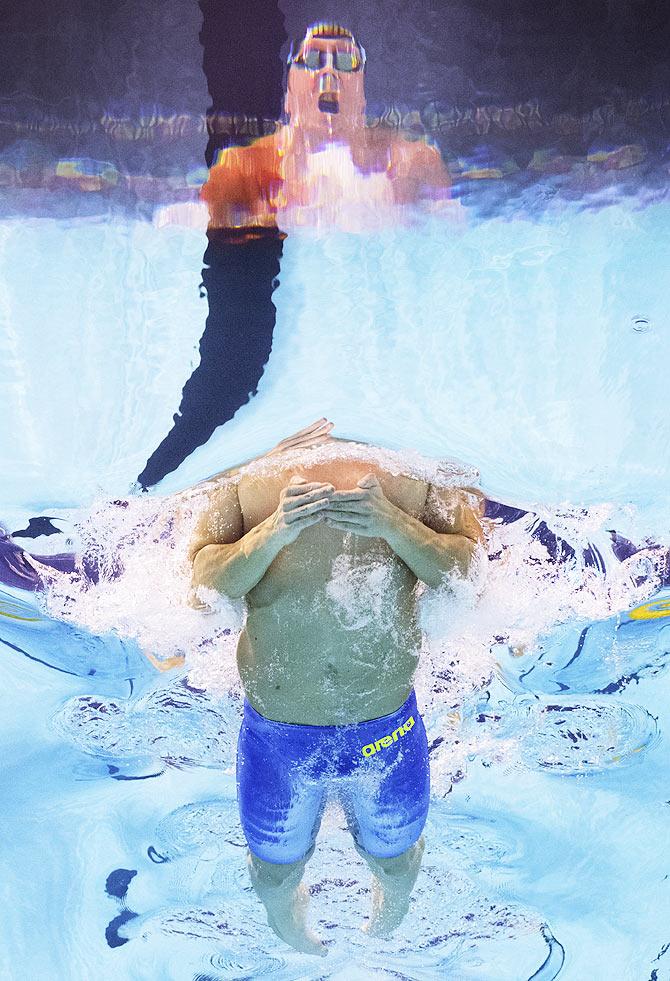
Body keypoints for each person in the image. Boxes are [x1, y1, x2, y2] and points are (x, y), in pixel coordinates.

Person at [188, 423, 483, 954]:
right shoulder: (243, 460)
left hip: (384, 731)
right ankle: (296, 935)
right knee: (274, 878)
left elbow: (470, 575)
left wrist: (394, 525)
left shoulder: (423, 459)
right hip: (276, 738)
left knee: (394, 865)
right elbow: (203, 590)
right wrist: (273, 529)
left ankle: (384, 931)